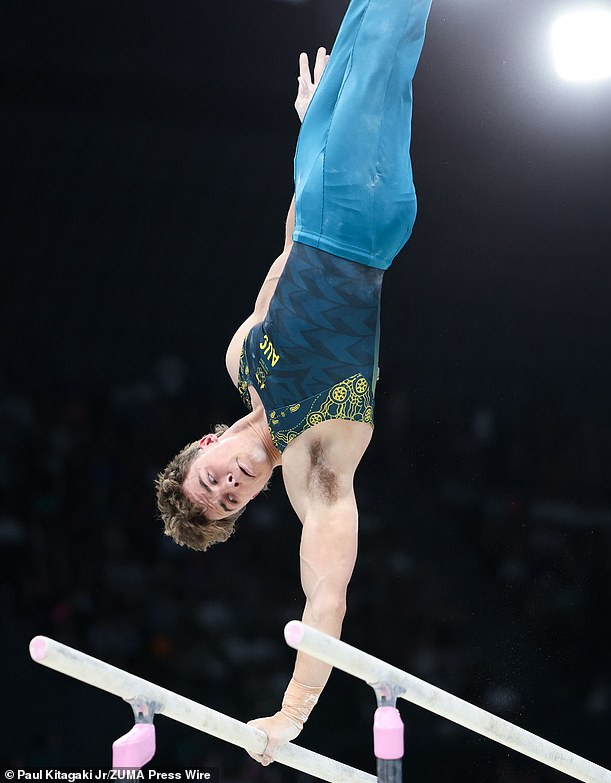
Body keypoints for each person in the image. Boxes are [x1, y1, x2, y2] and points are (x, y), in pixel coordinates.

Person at [156, 0, 433, 766]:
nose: (234, 482)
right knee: (389, 28)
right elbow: (325, 600)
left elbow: (284, 261)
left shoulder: (241, 358)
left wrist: (308, 144)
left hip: (316, 193)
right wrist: (292, 712)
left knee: (360, 20)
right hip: (364, 221)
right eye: (233, 499)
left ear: (203, 445)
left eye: (213, 479)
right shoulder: (317, 471)